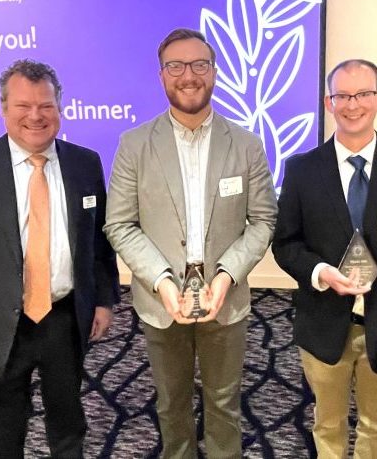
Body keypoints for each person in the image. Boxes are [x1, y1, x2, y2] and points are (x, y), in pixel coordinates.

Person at [0, 59, 120, 458]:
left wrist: (103, 298)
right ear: (4, 109)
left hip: (65, 319)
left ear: (59, 108)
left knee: (68, 425)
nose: (36, 116)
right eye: (23, 106)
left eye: (46, 105)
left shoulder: (86, 164)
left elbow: (98, 242)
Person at [103, 28, 277, 458]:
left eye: (200, 64)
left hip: (227, 298)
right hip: (161, 302)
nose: (189, 75)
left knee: (224, 404)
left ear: (214, 72)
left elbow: (262, 220)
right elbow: (120, 224)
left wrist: (226, 276)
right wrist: (162, 281)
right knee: (171, 404)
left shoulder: (248, 145)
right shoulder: (135, 145)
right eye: (176, 66)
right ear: (162, 75)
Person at [272, 59, 377, 458]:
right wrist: (320, 271)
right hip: (323, 321)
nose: (352, 105)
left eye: (363, 94)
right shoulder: (302, 169)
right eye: (342, 96)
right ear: (329, 103)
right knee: (327, 423)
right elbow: (286, 244)